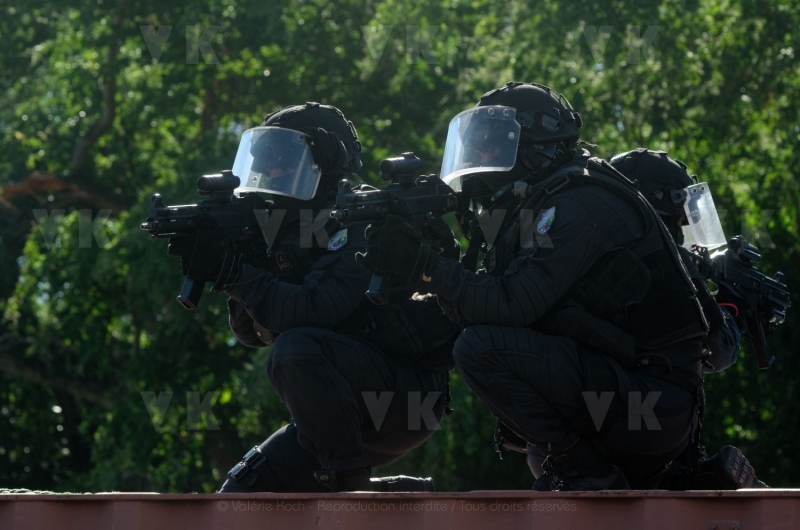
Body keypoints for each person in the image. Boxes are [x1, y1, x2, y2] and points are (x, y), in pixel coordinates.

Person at [357, 81, 711, 491]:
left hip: (654, 404)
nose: (481, 161)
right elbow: (483, 307)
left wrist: (431, 269)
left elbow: (512, 306)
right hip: (631, 397)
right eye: (478, 146)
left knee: (481, 349)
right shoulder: (541, 206)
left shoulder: (579, 202)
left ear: (533, 145)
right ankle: (583, 466)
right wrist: (438, 260)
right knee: (480, 342)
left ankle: (584, 470)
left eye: (493, 147)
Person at [169, 102, 460, 492]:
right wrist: (245, 258)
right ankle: (369, 483)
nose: (272, 173)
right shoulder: (287, 227)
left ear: (325, 162)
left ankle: (348, 483)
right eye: (267, 161)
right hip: (337, 409)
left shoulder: (363, 218)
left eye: (284, 162)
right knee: (242, 493)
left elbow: (312, 311)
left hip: (405, 398)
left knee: (294, 348)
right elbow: (250, 333)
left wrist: (235, 273)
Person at [609, 148, 766, 489]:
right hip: (645, 438)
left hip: (587, 434)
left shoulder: (594, 252)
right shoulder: (663, 258)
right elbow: (717, 351)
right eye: (683, 217)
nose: (684, 227)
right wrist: (730, 309)